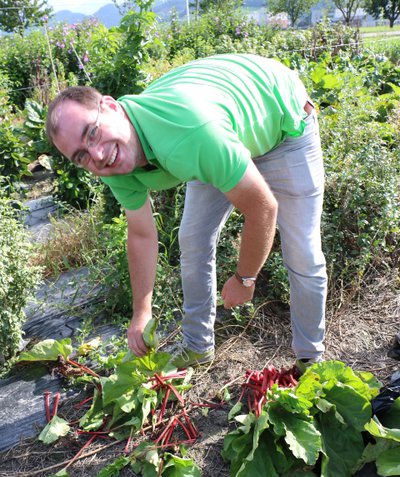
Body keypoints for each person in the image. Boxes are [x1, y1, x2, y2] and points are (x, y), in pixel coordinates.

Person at [46, 53, 327, 370]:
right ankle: (197, 345)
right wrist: (142, 311)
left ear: (111, 106)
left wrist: (245, 279)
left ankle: (310, 359)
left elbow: (262, 208)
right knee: (192, 238)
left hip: (278, 117)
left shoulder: (188, 130)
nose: (95, 154)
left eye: (92, 132)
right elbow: (141, 233)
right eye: (81, 155)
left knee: (302, 249)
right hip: (219, 133)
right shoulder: (113, 161)